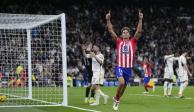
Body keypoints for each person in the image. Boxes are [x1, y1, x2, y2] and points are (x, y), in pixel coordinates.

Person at [106, 10, 143, 110]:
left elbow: (139, 31)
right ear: (121, 35)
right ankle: (117, 100)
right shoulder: (118, 41)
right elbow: (110, 30)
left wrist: (140, 19)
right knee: (121, 83)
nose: (125, 33)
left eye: (127, 32)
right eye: (123, 32)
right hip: (120, 66)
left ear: (129, 34)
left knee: (124, 87)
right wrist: (108, 19)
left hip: (129, 68)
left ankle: (116, 97)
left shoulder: (133, 41)